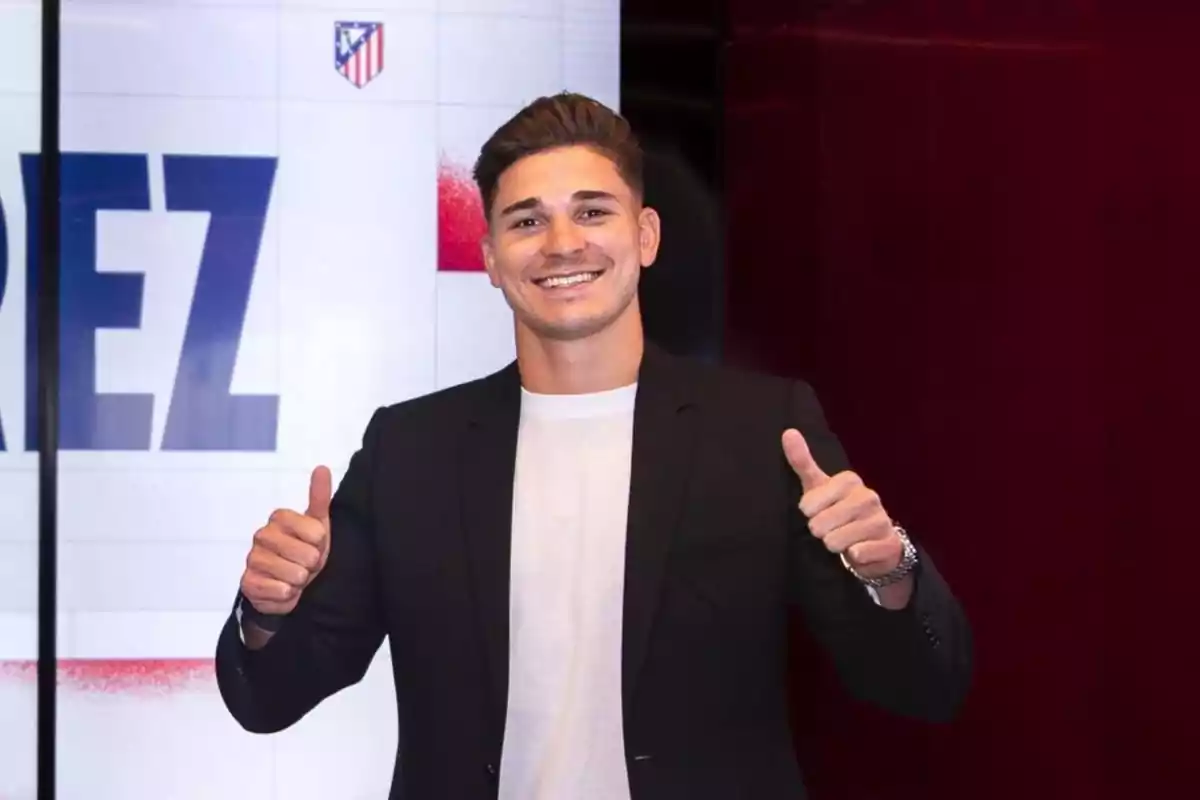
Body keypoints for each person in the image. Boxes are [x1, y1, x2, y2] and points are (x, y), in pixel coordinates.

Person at [215, 92, 972, 800]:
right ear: (489, 257)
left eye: (591, 211)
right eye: (526, 220)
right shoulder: (411, 450)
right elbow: (268, 697)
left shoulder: (762, 430)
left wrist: (889, 572)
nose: (562, 243)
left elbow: (923, 684)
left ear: (644, 236)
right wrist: (267, 612)